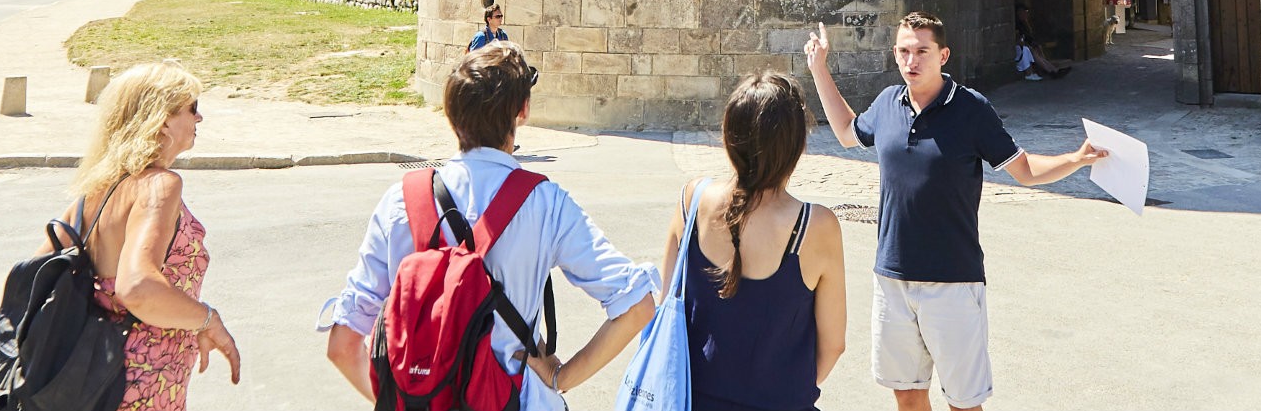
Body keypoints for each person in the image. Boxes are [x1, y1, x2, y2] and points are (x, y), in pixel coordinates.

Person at [322, 42, 656, 408]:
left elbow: (342, 346)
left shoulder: (401, 202)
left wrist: (399, 401)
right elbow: (636, 305)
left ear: (451, 115)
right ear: (522, 110)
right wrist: (562, 376)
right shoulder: (545, 203)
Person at [804, 12, 1106, 411]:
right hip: (892, 277)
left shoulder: (971, 109)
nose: (912, 61)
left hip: (953, 281)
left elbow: (1025, 170)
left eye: (922, 52)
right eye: (905, 51)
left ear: (943, 55)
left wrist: (1077, 159)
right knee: (908, 396)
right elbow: (846, 133)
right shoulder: (886, 104)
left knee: (964, 403)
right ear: (895, 55)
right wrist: (819, 68)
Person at [661, 71, 846, 411]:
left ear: (728, 136)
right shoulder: (815, 226)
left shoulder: (692, 200)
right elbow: (834, 344)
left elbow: (665, 306)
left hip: (691, 401)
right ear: (795, 144)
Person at [65, 60, 241, 409]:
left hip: (88, 381)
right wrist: (207, 319)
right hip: (138, 385)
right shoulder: (160, 184)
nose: (199, 118)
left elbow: (40, 276)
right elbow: (138, 287)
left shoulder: (92, 193)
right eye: (192, 108)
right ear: (161, 120)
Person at [1012, 4, 1069, 81]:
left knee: (1038, 49)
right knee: (1032, 51)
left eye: (1027, 12)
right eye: (1024, 12)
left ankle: (1053, 70)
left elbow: (1029, 37)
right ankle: (1050, 70)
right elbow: (1019, 40)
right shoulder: (1016, 25)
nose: (1026, 15)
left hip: (1027, 45)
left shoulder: (1024, 24)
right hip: (1021, 47)